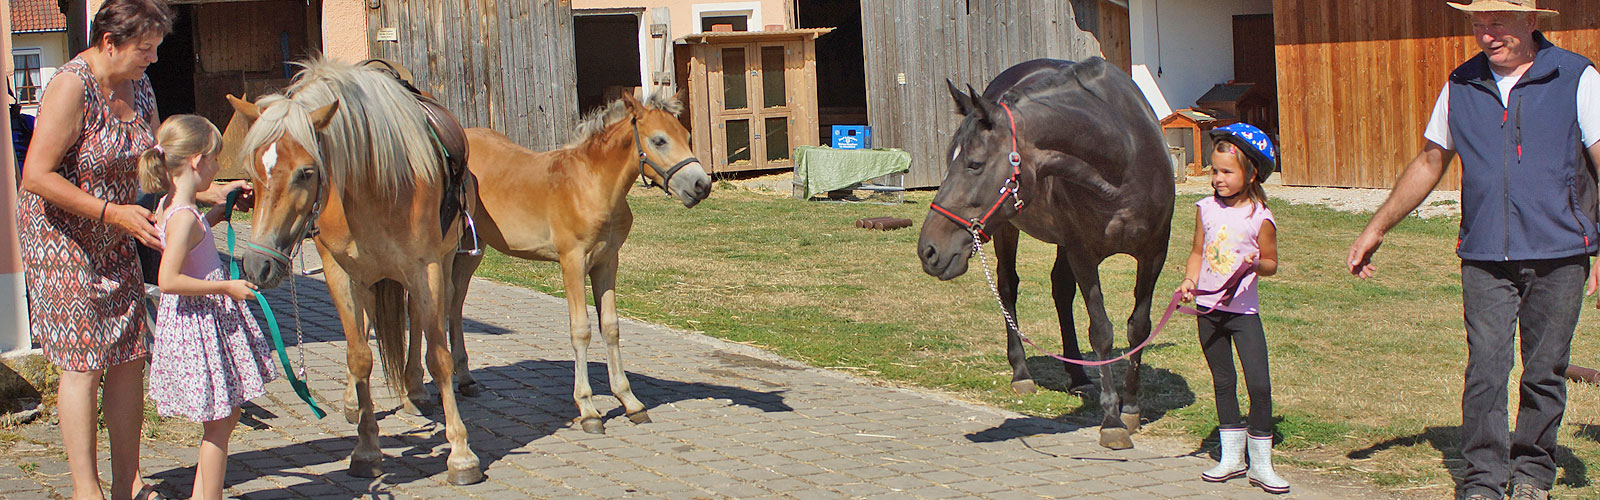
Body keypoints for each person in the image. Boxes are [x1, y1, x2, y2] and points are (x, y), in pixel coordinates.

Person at [1345, 1, 1600, 499]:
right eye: (1478, 25)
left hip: (1560, 250)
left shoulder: (1576, 77)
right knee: (1485, 367)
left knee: (1544, 371)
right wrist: (1376, 227)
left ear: (1531, 22)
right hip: (1484, 254)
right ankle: (1483, 479)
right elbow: (1430, 160)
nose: (1487, 35)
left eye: (1497, 23)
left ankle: (1532, 475)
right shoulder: (1461, 83)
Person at [14, 1, 174, 499]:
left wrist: (205, 190)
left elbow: (156, 162)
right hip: (60, 236)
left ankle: (129, 483)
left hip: (115, 230)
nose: (153, 59)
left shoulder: (140, 85)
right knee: (84, 361)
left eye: (156, 48)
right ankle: (87, 490)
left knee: (129, 354)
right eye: (145, 48)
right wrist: (112, 213)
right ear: (110, 42)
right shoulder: (71, 85)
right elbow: (35, 176)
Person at [138, 115, 273, 500]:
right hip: (199, 323)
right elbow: (168, 279)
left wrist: (219, 211)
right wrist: (225, 286)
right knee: (221, 420)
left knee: (224, 417)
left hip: (199, 321)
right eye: (215, 159)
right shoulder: (181, 216)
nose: (218, 167)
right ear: (197, 161)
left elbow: (194, 236)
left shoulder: (172, 205)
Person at [1177, 123, 1287, 494]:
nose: (1218, 178)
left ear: (1250, 173)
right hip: (1208, 312)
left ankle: (1262, 465)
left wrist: (1256, 264)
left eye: (1227, 171)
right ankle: (1231, 458)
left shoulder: (1260, 217)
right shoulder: (1205, 208)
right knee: (1223, 382)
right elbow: (1197, 252)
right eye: (1214, 170)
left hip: (1243, 314)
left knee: (1259, 385)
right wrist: (1189, 280)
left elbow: (1271, 263)